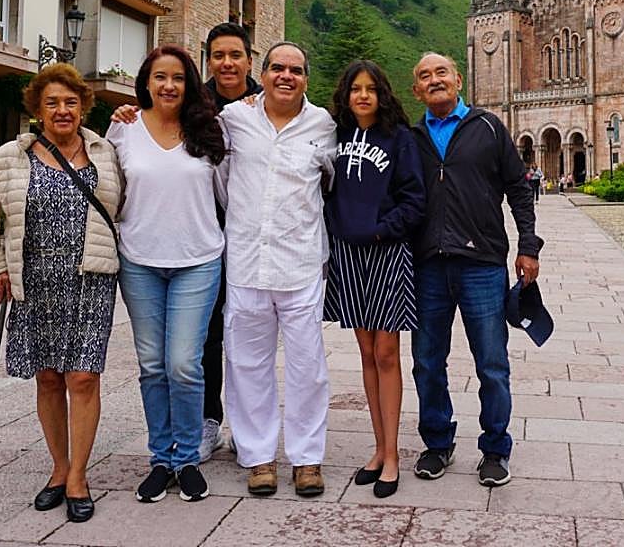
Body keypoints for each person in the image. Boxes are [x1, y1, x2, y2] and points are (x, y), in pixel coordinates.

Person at [0, 64, 123, 524]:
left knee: (83, 377)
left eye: (71, 102)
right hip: (33, 281)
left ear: (83, 107)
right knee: (49, 377)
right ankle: (58, 468)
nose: (62, 110)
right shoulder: (8, 158)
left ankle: (78, 475)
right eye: (52, 103)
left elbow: (125, 207)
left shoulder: (105, 153)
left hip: (90, 277)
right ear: (37, 109)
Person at [408, 52, 542, 488]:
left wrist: (528, 247)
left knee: (492, 362)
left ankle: (495, 448)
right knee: (427, 361)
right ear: (416, 90)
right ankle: (437, 441)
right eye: (424, 77)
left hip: (482, 265)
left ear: (458, 79)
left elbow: (519, 190)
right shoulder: (412, 138)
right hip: (428, 265)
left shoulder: (486, 127)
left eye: (441, 73)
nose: (434, 81)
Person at [216, 42, 337, 498]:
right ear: (261, 74)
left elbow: (329, 182)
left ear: (307, 78)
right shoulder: (234, 119)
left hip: (302, 263)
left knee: (308, 367)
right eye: (278, 68)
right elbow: (220, 181)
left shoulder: (323, 125)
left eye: (297, 70)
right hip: (247, 261)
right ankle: (258, 457)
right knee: (247, 365)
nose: (286, 76)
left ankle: (307, 459)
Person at [108, 45, 226, 504]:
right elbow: (106, 186)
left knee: (184, 362)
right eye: (160, 77)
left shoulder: (208, 129)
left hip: (197, 259)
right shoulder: (123, 126)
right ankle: (161, 459)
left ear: (190, 83)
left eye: (177, 77)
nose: (169, 86)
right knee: (152, 364)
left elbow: (230, 193)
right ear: (146, 82)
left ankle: (188, 459)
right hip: (139, 260)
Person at [323, 60, 425, 499]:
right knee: (366, 353)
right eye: (355, 89)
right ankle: (379, 448)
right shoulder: (335, 137)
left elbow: (414, 198)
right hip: (348, 254)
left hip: (386, 252)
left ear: (383, 93)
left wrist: (384, 229)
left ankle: (394, 455)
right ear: (345, 95)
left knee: (387, 352)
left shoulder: (400, 139)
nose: (362, 95)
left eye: (370, 88)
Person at [198, 22, 263, 462]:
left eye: (234, 55)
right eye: (218, 55)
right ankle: (206, 420)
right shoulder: (191, 104)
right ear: (209, 59)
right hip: (199, 236)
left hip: (252, 238)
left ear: (248, 60)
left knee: (248, 336)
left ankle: (245, 422)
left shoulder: (271, 101)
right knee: (205, 336)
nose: (227, 63)